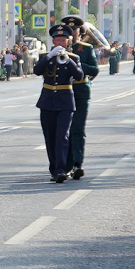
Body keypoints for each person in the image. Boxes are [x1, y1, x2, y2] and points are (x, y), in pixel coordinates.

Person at [33, 25, 83, 183]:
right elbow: (37, 71)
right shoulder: (46, 56)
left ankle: (62, 170)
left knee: (62, 136)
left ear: (68, 42)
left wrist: (69, 62)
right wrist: (48, 57)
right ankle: (54, 169)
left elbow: (79, 76)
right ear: (53, 41)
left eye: (63, 39)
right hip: (47, 101)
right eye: (57, 39)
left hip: (65, 101)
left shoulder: (73, 58)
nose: (60, 42)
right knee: (50, 137)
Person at [62, 16, 100, 180]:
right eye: (69, 31)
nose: (72, 34)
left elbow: (94, 70)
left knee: (77, 129)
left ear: (79, 32)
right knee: (63, 130)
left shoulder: (86, 48)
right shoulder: (59, 49)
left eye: (74, 30)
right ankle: (65, 165)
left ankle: (77, 164)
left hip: (80, 90)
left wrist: (76, 63)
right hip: (63, 92)